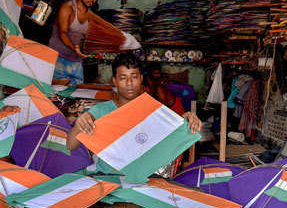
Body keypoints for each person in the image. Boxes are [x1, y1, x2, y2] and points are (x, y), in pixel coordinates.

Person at [66, 53, 201, 175]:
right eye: (123, 78)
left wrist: (186, 119)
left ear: (141, 78)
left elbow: (173, 134)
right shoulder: (100, 111)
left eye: (134, 77)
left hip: (141, 180)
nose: (129, 83)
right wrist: (80, 123)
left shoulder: (153, 110)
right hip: (107, 179)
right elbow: (70, 145)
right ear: (115, 81)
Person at [48, 0, 101, 85]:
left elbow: (87, 39)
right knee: (56, 96)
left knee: (76, 95)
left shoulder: (91, 15)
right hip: (58, 60)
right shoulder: (67, 8)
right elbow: (63, 33)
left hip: (76, 63)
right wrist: (75, 48)